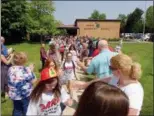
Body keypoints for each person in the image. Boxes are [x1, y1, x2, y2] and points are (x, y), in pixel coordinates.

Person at [8, 52, 36, 116]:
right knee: (27, 109)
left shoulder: (10, 69)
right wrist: (31, 70)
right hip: (25, 95)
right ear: (24, 60)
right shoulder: (26, 70)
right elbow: (33, 81)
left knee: (17, 110)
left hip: (14, 95)